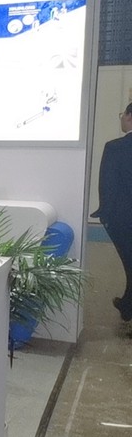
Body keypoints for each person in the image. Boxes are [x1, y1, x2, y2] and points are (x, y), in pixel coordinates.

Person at [96, 102, 132, 321]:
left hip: (123, 218)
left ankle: (128, 305)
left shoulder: (115, 147)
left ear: (129, 117)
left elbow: (107, 185)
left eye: (122, 114)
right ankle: (127, 303)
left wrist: (105, 215)